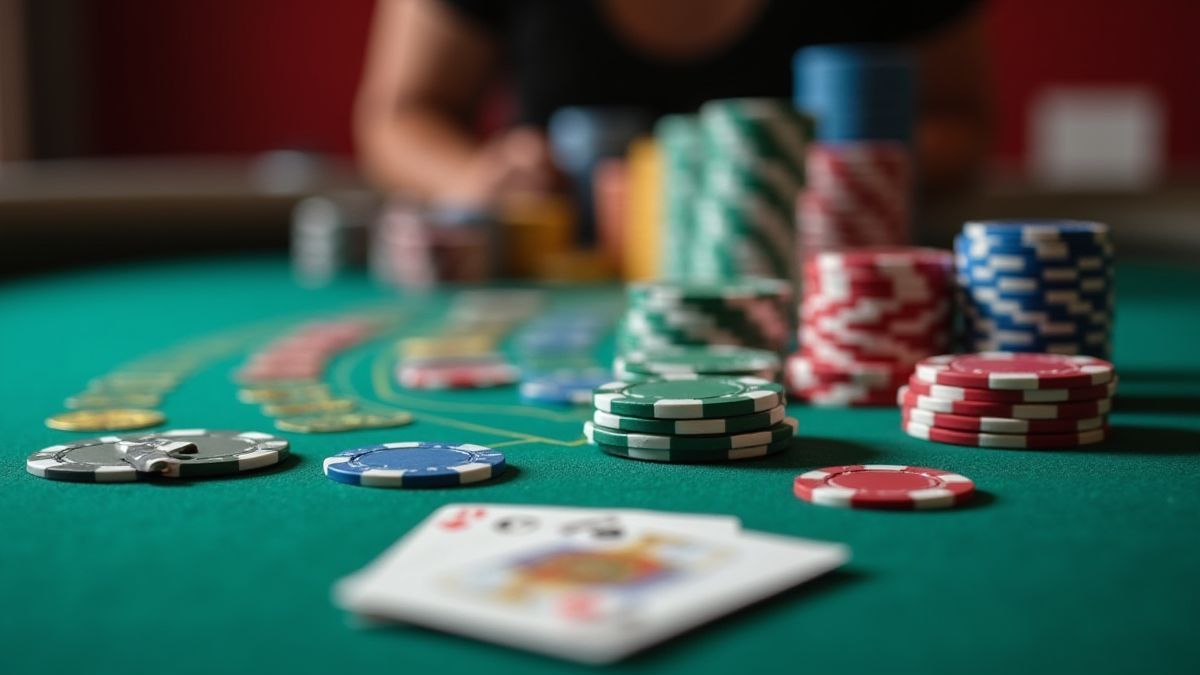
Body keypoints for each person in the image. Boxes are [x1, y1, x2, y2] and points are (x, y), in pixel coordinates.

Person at [354, 0, 991, 208]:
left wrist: (842, 184)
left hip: (814, 274)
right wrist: (471, 177)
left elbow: (960, 121)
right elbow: (399, 115)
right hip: (552, 279)